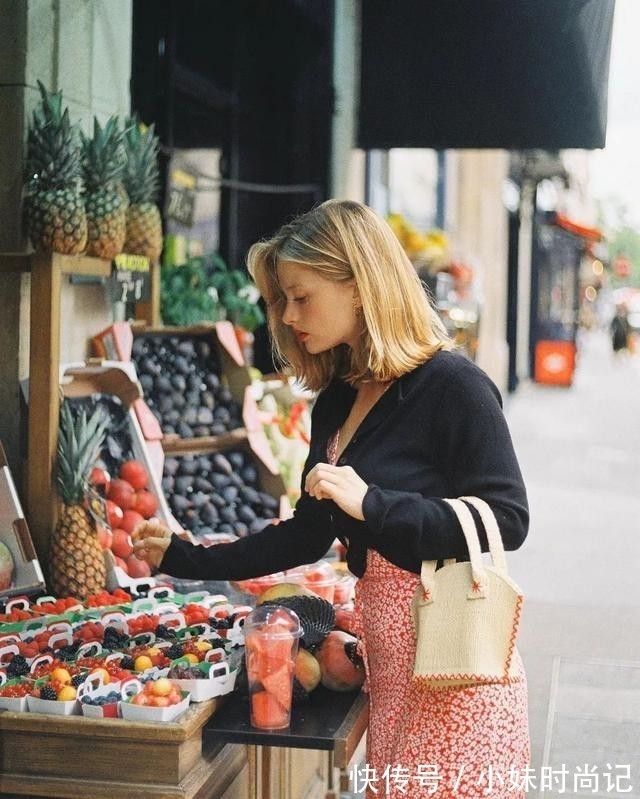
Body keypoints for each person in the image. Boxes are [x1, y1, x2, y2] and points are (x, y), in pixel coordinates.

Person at [132, 200, 530, 799]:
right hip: (393, 672)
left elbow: (508, 519)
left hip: (458, 673)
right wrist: (187, 559)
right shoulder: (339, 402)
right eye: (282, 301)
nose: (289, 316)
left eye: (302, 296)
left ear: (362, 287)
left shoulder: (455, 387)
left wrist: (374, 505)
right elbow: (307, 533)